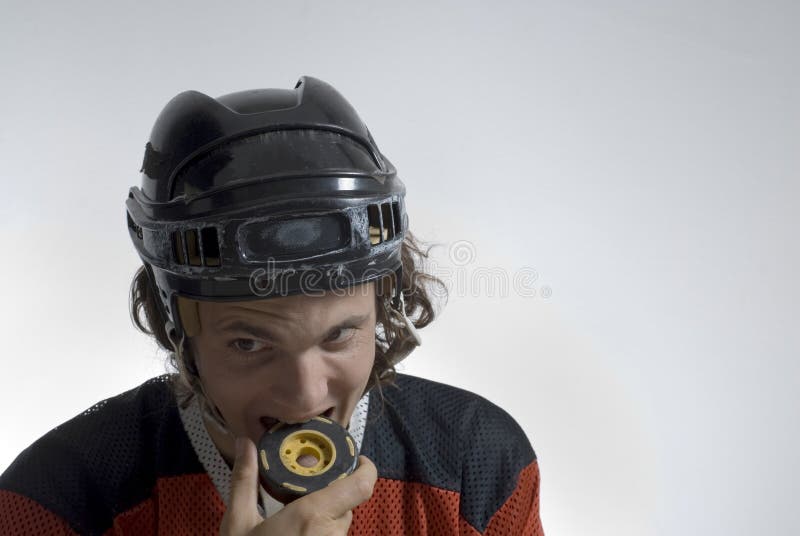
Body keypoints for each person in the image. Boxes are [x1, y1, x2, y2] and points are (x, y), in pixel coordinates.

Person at [0, 76, 544, 535]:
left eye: (339, 335)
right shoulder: (55, 498)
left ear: (384, 305)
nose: (306, 395)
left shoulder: (478, 462)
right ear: (178, 330)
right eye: (249, 343)